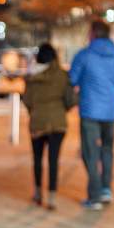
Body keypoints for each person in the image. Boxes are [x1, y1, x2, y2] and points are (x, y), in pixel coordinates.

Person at [69, 19, 114, 210]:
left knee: (89, 152)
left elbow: (72, 79)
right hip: (110, 111)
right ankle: (106, 189)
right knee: (107, 150)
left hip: (90, 110)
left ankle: (95, 195)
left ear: (93, 34)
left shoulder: (84, 55)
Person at [23, 43, 75, 210]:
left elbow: (27, 101)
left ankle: (38, 193)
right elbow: (70, 100)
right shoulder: (62, 75)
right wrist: (61, 109)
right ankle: (52, 197)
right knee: (54, 160)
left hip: (37, 122)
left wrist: (35, 110)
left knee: (37, 159)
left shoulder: (32, 77)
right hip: (58, 123)